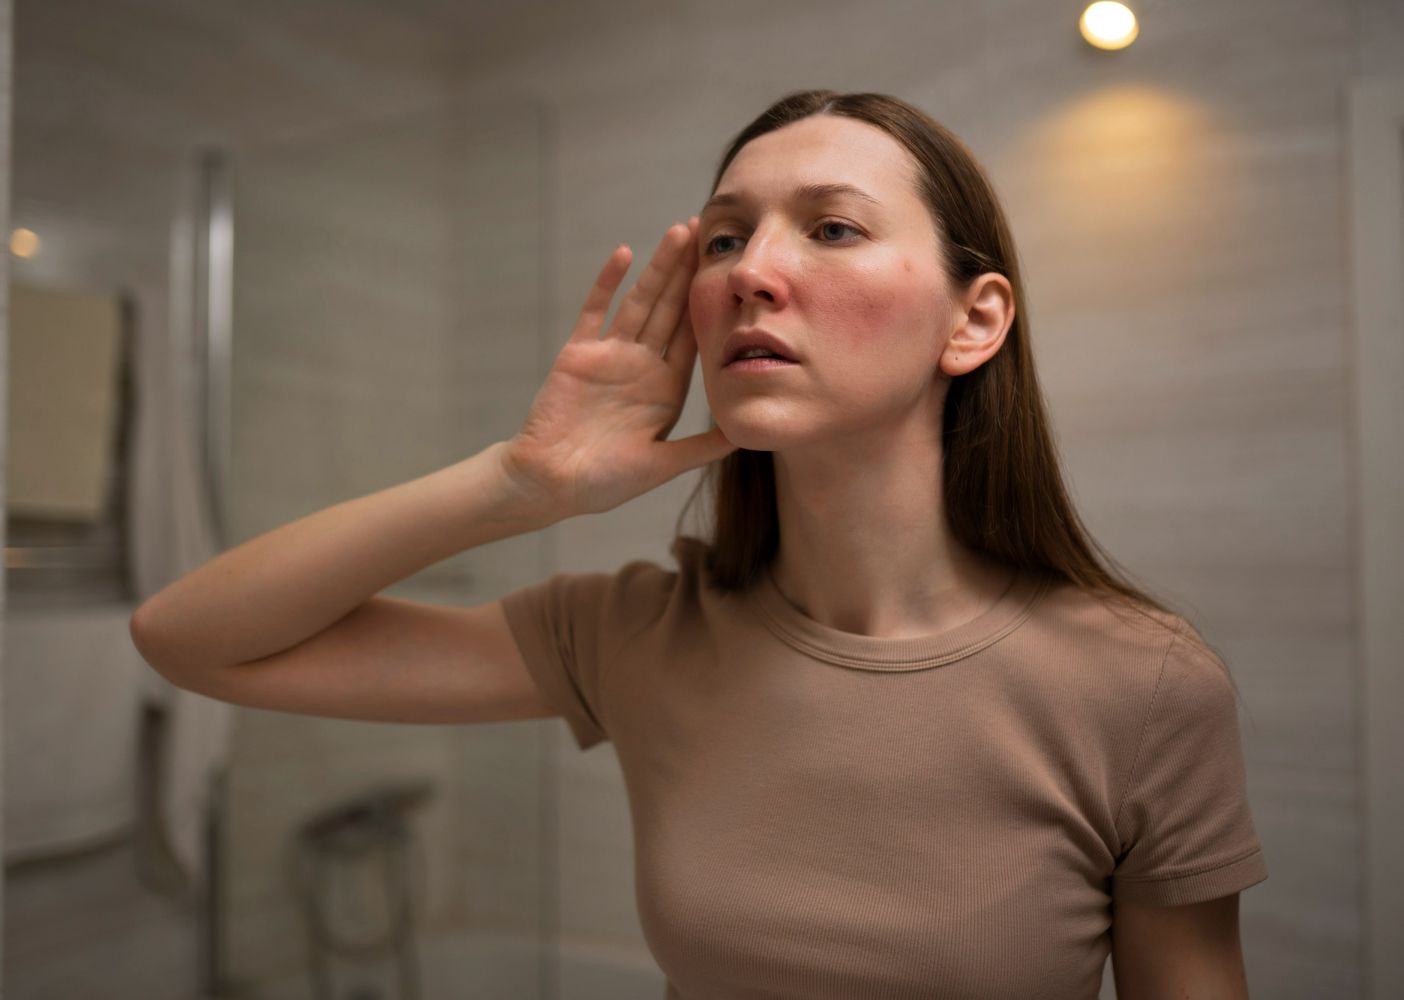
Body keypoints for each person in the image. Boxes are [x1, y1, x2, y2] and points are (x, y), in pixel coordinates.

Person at [132, 90, 1268, 999]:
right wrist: (516, 482)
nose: (749, 274)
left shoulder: (1142, 685)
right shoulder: (635, 634)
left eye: (830, 227)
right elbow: (188, 640)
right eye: (728, 237)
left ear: (973, 321)